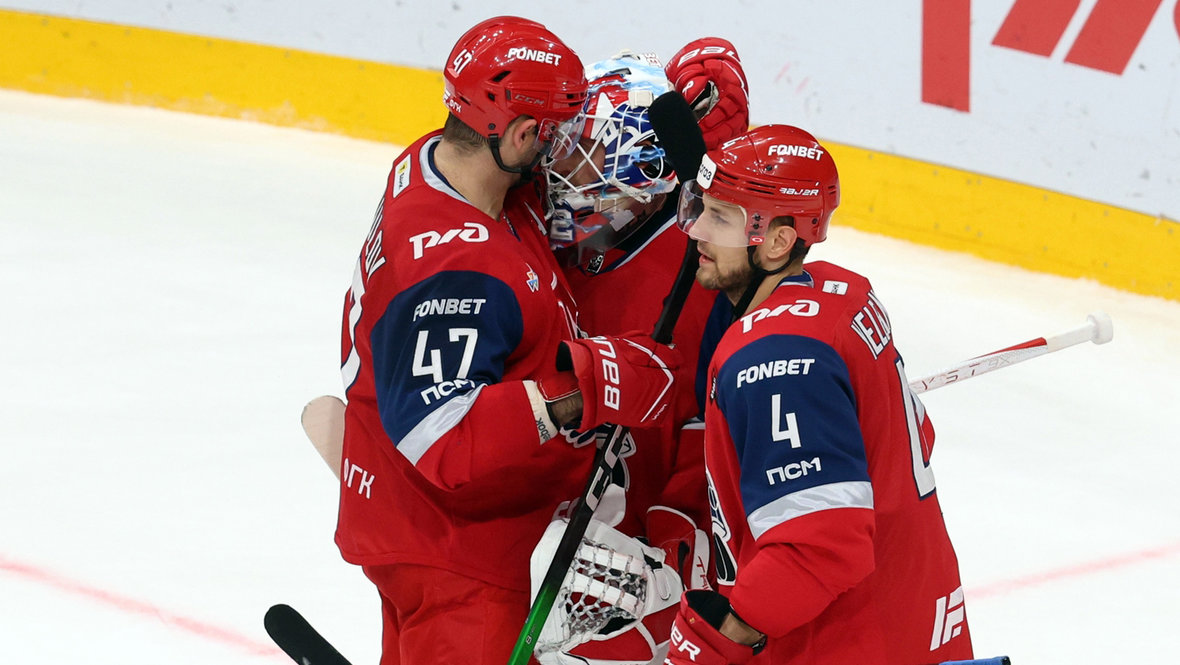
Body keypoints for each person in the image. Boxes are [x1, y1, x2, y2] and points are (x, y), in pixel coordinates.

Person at [333, 16, 683, 665]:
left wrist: (679, 128)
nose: (562, 154)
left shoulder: (439, 165)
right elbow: (441, 434)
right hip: (461, 562)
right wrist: (591, 388)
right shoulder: (457, 268)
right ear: (521, 134)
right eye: (556, 135)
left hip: (418, 527)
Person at [663, 124, 974, 664]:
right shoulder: (844, 294)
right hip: (918, 624)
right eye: (702, 209)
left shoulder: (771, 356)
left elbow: (819, 546)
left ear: (778, 241)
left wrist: (724, 639)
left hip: (848, 645)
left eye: (721, 218)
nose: (697, 232)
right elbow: (914, 433)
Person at [526, 43, 751, 665]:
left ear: (639, 167)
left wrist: (683, 530)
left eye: (583, 151)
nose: (559, 167)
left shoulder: (708, 268)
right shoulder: (563, 241)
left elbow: (719, 433)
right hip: (554, 535)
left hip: (636, 565)